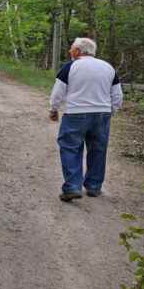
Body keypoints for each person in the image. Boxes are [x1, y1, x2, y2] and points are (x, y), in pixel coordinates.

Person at [49, 38, 123, 202]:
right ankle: (94, 186)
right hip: (102, 114)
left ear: (77, 51)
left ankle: (73, 187)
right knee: (98, 149)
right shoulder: (108, 67)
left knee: (70, 148)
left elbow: (58, 93)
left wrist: (54, 109)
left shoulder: (70, 66)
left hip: (76, 113)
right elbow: (117, 95)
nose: (69, 52)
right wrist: (111, 111)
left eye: (71, 49)